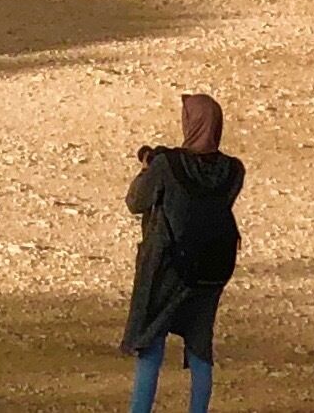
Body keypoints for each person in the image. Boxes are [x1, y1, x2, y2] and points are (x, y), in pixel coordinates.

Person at [121, 92, 243, 413]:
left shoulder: (167, 164)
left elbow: (136, 202)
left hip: (166, 266)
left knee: (151, 345)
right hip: (210, 268)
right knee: (201, 348)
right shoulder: (234, 170)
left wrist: (150, 168)